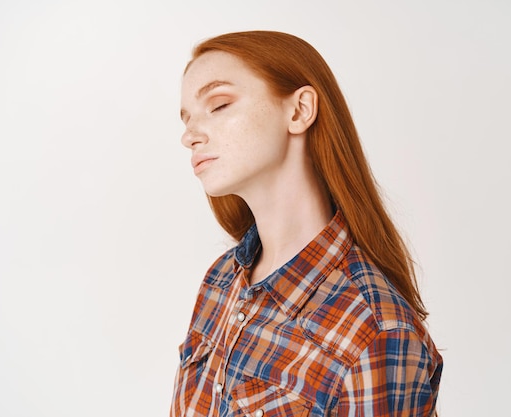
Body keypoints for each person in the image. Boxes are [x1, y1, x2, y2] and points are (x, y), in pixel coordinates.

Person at [171, 30, 442, 417]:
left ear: (299, 111)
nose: (189, 136)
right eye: (186, 119)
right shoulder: (220, 281)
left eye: (218, 105)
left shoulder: (374, 333)